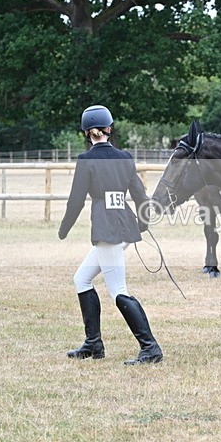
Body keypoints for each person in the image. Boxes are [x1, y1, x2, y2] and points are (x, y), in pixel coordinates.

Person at [58, 105, 163, 364]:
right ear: (109, 129)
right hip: (124, 225)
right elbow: (140, 196)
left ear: (86, 133)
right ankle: (93, 344)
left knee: (118, 290)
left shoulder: (86, 160)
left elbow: (76, 200)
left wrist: (64, 228)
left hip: (107, 229)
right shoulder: (125, 157)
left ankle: (150, 348)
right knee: (82, 279)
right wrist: (143, 222)